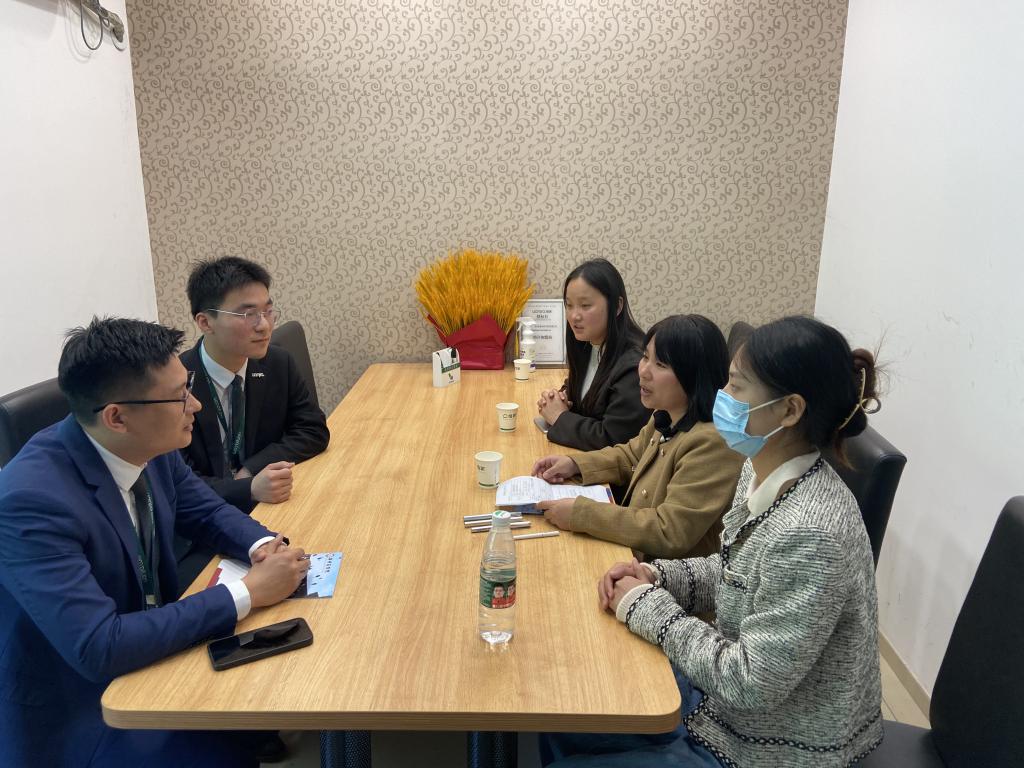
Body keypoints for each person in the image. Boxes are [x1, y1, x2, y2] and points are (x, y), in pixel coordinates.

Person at [545, 316, 884, 767]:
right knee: (562, 712)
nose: (722, 396)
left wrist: (646, 605)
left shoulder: (810, 534)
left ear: (789, 410)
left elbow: (750, 682)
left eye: (736, 387)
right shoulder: (761, 469)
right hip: (720, 705)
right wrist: (656, 575)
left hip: (765, 746)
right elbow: (731, 569)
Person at [0, 318, 310, 768]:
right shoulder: (29, 501)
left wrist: (262, 546)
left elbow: (206, 511)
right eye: (179, 395)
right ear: (117, 417)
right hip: (79, 704)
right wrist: (248, 592)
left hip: (150, 644)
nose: (195, 404)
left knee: (267, 687)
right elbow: (99, 646)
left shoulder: (146, 446)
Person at [532, 315, 743, 560]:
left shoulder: (714, 442)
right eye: (645, 357)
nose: (643, 371)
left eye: (660, 364)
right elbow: (631, 455)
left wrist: (582, 514)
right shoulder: (667, 414)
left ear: (695, 375)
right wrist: (575, 464)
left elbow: (669, 530)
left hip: (661, 573)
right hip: (632, 556)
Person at [180, 257, 329, 514]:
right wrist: (246, 488)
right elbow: (179, 484)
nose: (264, 325)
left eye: (267, 311)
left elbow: (313, 430)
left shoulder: (277, 363)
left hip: (271, 504)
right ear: (205, 322)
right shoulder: (177, 384)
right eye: (248, 314)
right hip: (207, 515)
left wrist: (252, 468)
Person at [537, 259, 650, 456]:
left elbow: (614, 439)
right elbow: (589, 394)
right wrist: (560, 398)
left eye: (585, 305)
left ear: (617, 306)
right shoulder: (588, 343)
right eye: (569, 305)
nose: (574, 316)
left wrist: (559, 417)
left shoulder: (635, 366)